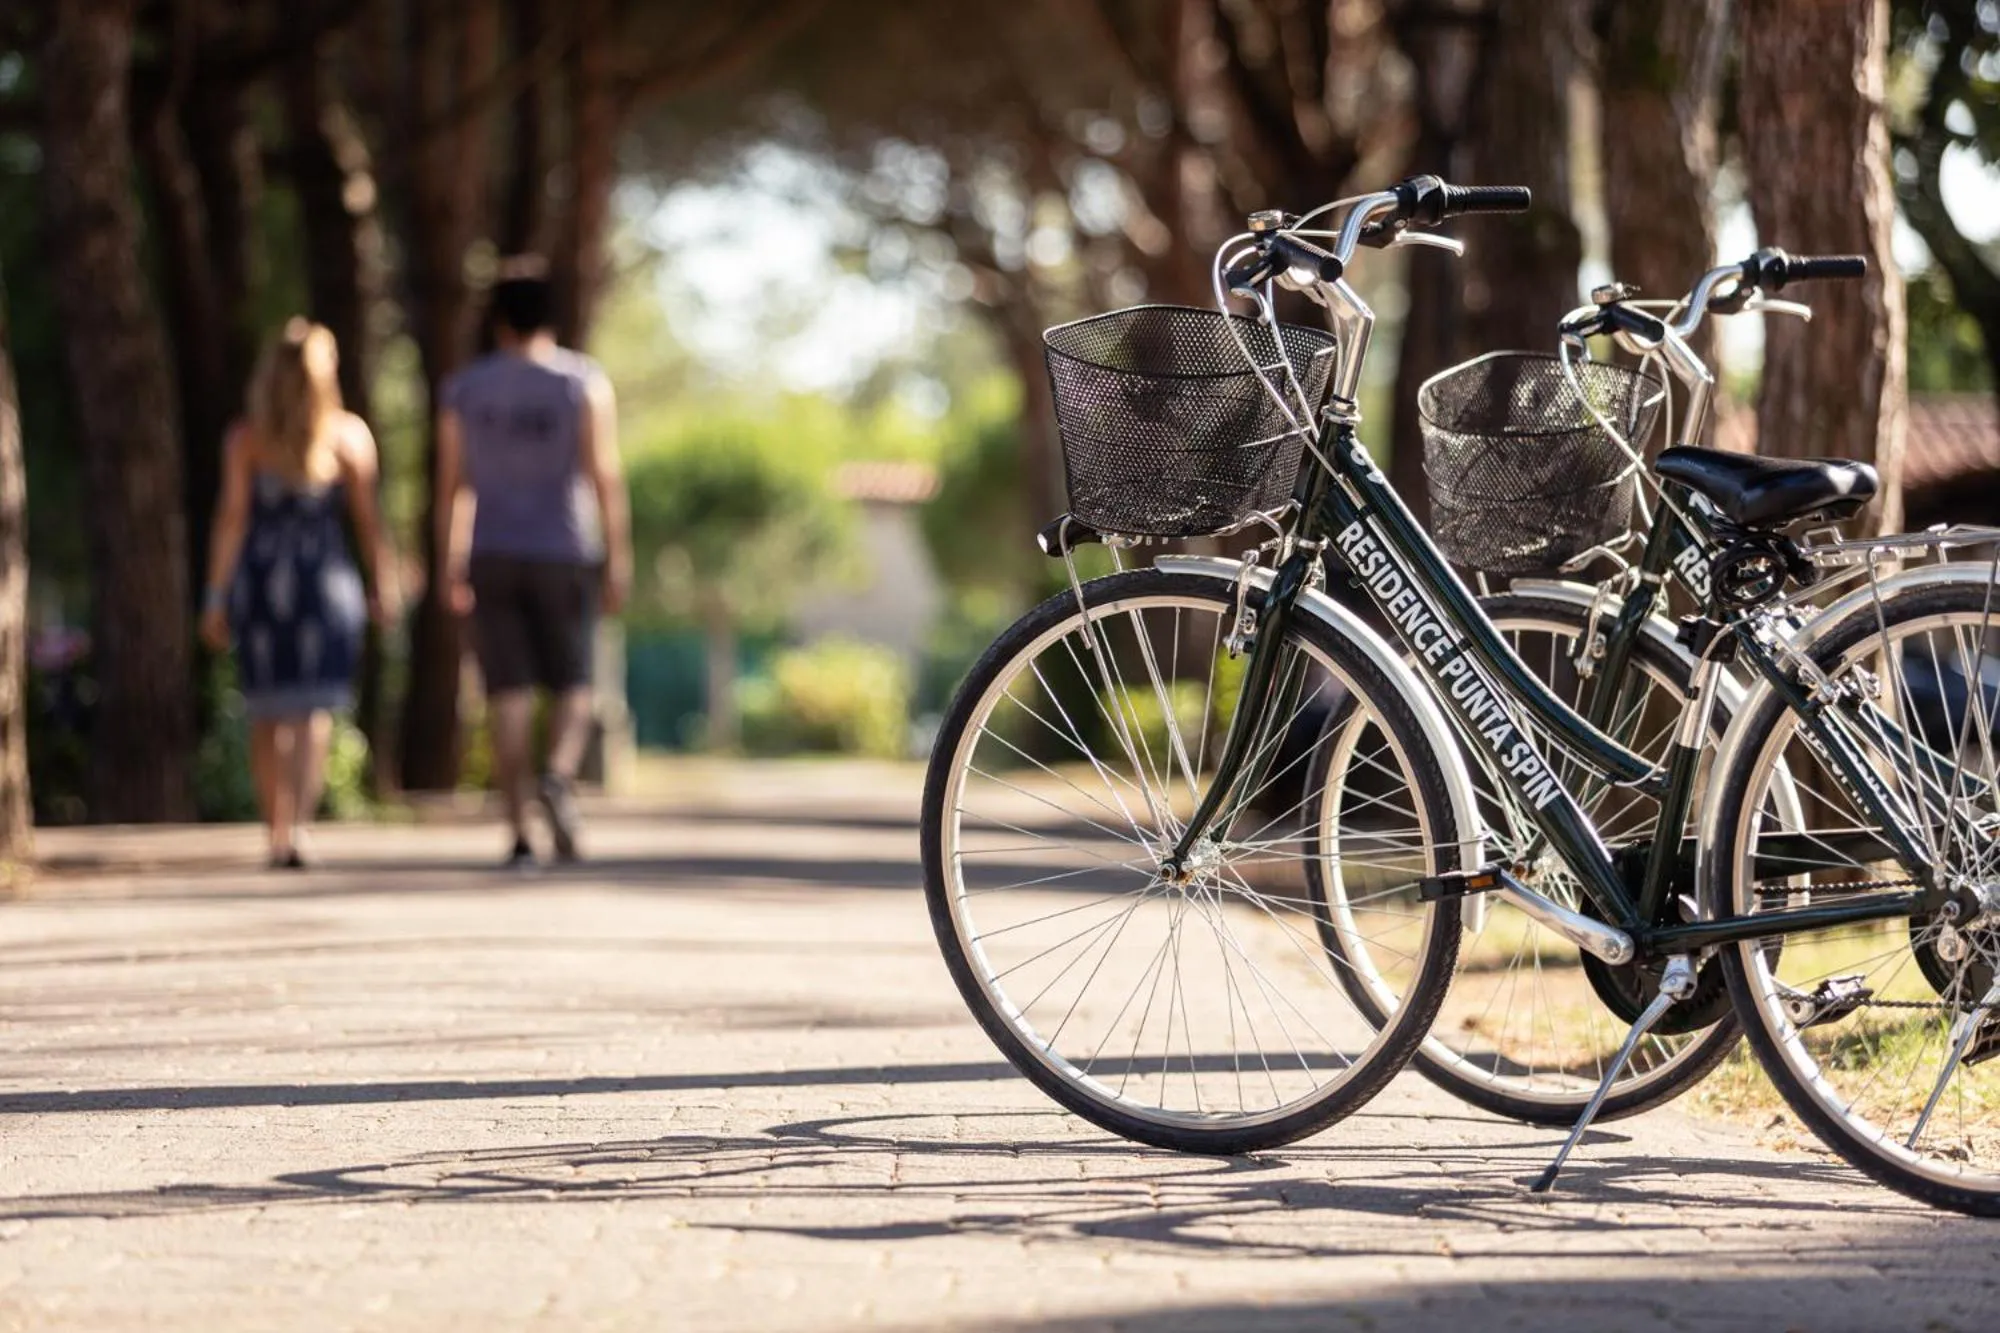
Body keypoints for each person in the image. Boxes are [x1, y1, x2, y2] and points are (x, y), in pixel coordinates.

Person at [437, 259, 631, 870]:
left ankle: (519, 832)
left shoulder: (466, 390)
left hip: (491, 551)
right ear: (551, 315)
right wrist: (618, 556)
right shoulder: (581, 382)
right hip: (565, 550)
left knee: (508, 694)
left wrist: (450, 562)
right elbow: (605, 475)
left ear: (497, 320)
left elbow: (452, 487)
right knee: (575, 683)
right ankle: (558, 774)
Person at [200, 319, 398, 868]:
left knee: (267, 715)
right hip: (324, 587)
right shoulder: (349, 436)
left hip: (264, 586)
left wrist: (215, 595)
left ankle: (276, 830)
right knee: (311, 715)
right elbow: (370, 523)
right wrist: (386, 584)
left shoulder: (246, 439)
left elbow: (231, 520)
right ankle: (301, 830)